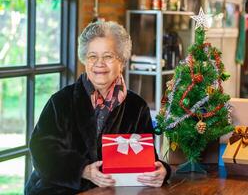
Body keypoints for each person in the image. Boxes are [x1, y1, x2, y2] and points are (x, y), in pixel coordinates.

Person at [25, 21, 171, 194]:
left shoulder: (137, 106)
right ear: (85, 61)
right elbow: (41, 151)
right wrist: (83, 170)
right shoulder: (61, 101)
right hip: (57, 190)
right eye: (92, 56)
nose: (99, 63)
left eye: (108, 56)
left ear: (122, 62)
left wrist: (162, 171)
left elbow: (145, 158)